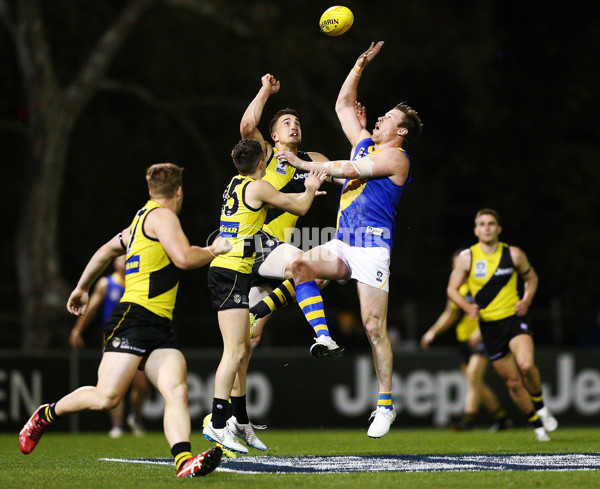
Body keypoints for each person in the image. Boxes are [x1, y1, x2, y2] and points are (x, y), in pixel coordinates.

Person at [19, 163, 229, 478]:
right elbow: (184, 258)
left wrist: (81, 287)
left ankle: (184, 460)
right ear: (179, 191)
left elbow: (105, 251)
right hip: (133, 318)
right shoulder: (162, 217)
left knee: (177, 390)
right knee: (107, 397)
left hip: (159, 326)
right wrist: (214, 250)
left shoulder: (140, 219)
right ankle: (45, 414)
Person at [275, 41, 423, 438]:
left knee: (374, 326)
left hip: (372, 247)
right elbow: (343, 105)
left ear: (401, 132)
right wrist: (358, 66)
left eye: (387, 118)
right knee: (299, 263)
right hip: (344, 241)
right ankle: (323, 336)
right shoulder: (366, 142)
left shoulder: (397, 159)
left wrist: (306, 164)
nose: (378, 119)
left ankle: (386, 404)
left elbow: (349, 168)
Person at [202, 139, 326, 454]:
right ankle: (217, 424)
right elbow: (300, 208)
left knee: (243, 348)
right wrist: (309, 188)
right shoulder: (258, 187)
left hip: (238, 266)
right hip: (230, 272)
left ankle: (239, 420)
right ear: (261, 165)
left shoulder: (235, 184)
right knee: (233, 352)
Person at [239, 73, 336, 354]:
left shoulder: (313, 161)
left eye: (297, 122)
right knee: (311, 265)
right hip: (257, 243)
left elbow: (346, 175)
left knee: (250, 339)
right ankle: (322, 335)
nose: (294, 126)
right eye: (286, 123)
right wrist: (265, 90)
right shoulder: (267, 155)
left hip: (275, 255)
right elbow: (247, 126)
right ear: (274, 136)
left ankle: (231, 399)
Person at [447, 208, 558, 441]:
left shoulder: (514, 254)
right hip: (490, 327)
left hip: (514, 320)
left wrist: (526, 300)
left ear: (498, 229)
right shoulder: (467, 258)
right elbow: (451, 290)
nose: (487, 227)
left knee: (527, 366)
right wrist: (468, 308)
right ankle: (537, 425)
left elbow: (531, 278)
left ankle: (541, 406)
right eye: (482, 224)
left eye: (491, 223)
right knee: (513, 383)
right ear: (476, 230)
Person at [421, 249, 513, 432]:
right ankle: (501, 418)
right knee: (474, 381)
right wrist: (432, 332)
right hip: (464, 340)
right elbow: (451, 314)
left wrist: (480, 331)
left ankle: (467, 420)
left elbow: (494, 310)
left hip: (484, 337)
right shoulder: (457, 289)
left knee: (473, 376)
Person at [69, 255, 149, 438]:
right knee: (115, 387)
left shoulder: (137, 283)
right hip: (113, 341)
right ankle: (117, 425)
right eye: (121, 260)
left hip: (137, 340)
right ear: (114, 263)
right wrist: (77, 331)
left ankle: (135, 416)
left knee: (142, 387)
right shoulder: (106, 284)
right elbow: (91, 308)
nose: (123, 263)